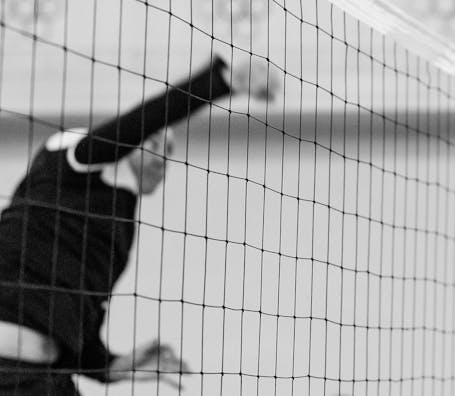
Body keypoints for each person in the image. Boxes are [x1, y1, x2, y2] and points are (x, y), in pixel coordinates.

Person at [0, 54, 277, 394]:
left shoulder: (115, 225)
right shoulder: (69, 163)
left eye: (169, 152)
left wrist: (111, 365)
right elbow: (140, 121)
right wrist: (221, 82)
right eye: (154, 143)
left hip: (46, 379)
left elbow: (73, 312)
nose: (162, 158)